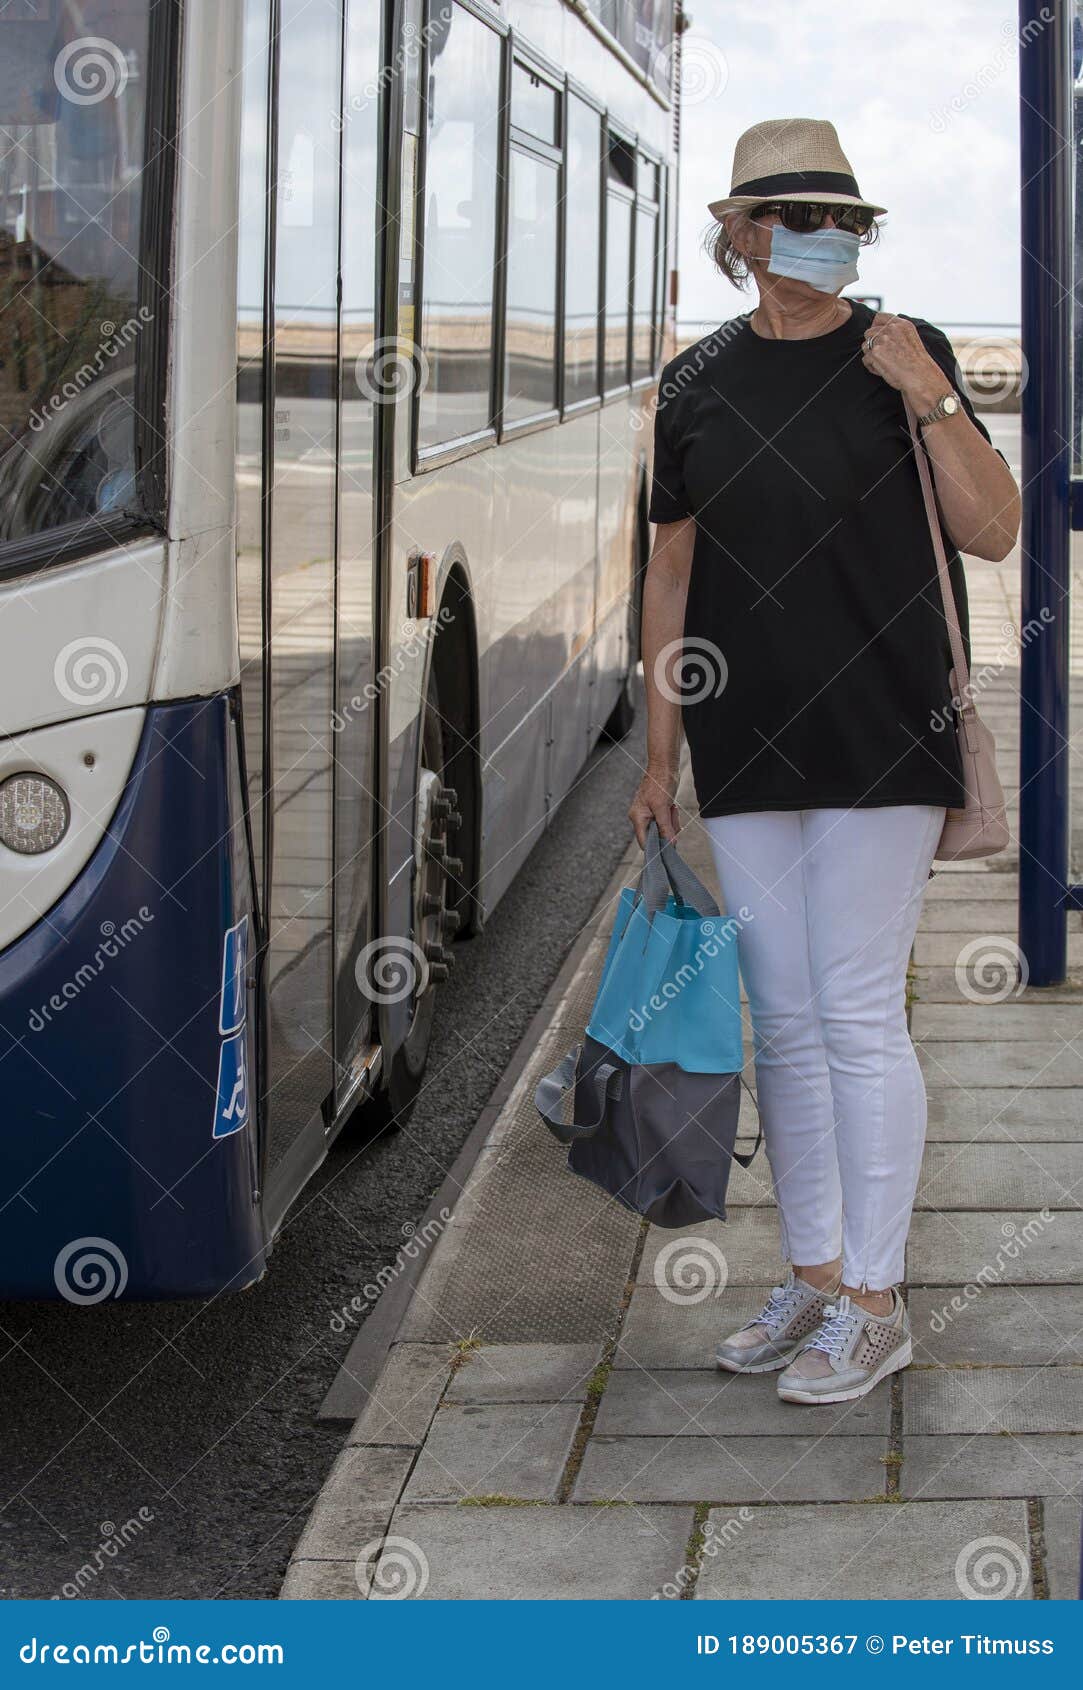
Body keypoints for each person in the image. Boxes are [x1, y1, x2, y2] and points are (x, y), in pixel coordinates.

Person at [629, 117, 1020, 1406]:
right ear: (738, 236)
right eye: (795, 216)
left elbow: (996, 530)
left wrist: (934, 397)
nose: (825, 239)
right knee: (784, 1023)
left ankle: (877, 1298)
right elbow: (670, 568)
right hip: (747, 738)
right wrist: (661, 748)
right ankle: (813, 1270)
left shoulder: (901, 355)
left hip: (882, 729)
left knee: (854, 1013)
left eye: (844, 219)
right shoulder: (693, 385)